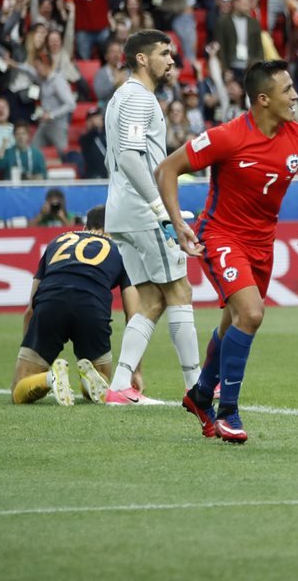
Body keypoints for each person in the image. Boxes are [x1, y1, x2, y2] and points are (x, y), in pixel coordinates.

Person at [157, 60, 298, 444]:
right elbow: (168, 169)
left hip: (261, 244)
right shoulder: (227, 137)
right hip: (220, 235)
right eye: (288, 90)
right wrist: (177, 222)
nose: (296, 96)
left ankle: (201, 395)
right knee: (251, 313)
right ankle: (228, 412)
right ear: (263, 99)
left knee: (233, 323)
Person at [102, 30, 202, 405]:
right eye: (164, 53)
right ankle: (197, 388)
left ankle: (120, 386)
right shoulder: (139, 98)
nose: (172, 60)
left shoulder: (119, 99)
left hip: (123, 212)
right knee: (179, 291)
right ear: (142, 59)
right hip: (144, 213)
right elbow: (129, 156)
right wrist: (161, 210)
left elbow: (117, 157)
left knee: (150, 300)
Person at [10, 205, 140, 407]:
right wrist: (135, 370)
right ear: (115, 228)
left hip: (50, 305)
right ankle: (89, 380)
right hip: (92, 310)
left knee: (19, 390)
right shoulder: (121, 250)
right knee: (102, 384)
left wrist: (29, 347)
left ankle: (49, 378)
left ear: (85, 225)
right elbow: (133, 317)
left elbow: (30, 308)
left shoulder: (57, 241)